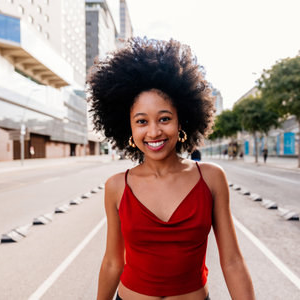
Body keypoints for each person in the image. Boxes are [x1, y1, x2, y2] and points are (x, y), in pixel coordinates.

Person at [87, 38, 255, 300]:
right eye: (142, 121)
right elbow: (112, 262)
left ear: (182, 121)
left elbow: (232, 261)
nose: (154, 131)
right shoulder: (116, 187)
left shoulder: (211, 179)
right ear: (128, 128)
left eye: (164, 118)